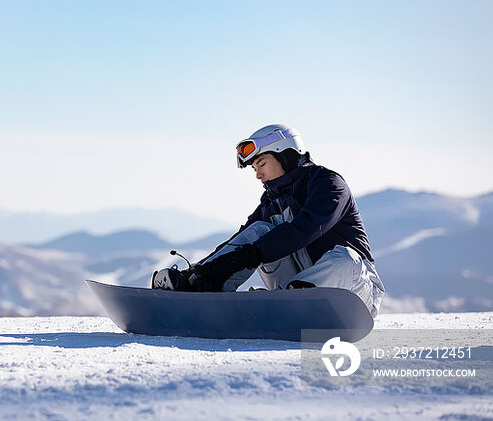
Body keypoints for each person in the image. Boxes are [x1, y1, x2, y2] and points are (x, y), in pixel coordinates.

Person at [151, 124, 385, 318]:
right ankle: (195, 286)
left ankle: (294, 301)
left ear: (286, 155)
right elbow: (240, 240)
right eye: (254, 168)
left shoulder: (328, 184)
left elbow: (304, 229)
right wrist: (211, 267)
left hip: (355, 295)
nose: (257, 175)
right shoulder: (271, 201)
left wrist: (252, 254)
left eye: (261, 164)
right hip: (293, 295)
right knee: (257, 232)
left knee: (345, 258)